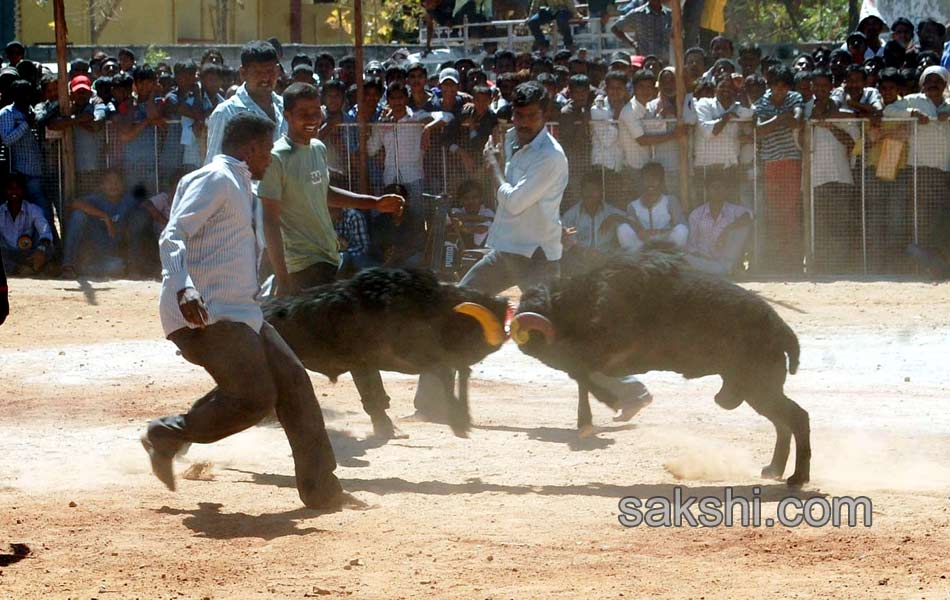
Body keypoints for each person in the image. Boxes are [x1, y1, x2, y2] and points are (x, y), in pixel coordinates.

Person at [141, 111, 346, 510]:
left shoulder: (240, 184)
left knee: (294, 383)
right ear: (249, 148)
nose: (270, 157)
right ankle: (168, 433)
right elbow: (173, 233)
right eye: (267, 149)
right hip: (206, 315)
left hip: (242, 314)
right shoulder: (216, 177)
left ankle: (323, 490)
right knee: (256, 397)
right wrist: (184, 287)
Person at [258, 83, 406, 439]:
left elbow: (323, 193)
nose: (313, 119)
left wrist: (373, 203)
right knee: (353, 336)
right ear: (288, 116)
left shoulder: (319, 149)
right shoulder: (276, 158)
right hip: (302, 266)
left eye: (317, 112)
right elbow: (269, 219)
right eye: (304, 114)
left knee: (290, 339)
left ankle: (260, 404)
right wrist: (282, 275)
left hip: (327, 258)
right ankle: (378, 416)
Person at [753, 65, 804, 272]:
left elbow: (797, 122)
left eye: (784, 86)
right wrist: (782, 118)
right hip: (770, 163)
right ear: (770, 85)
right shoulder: (761, 102)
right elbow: (760, 129)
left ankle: (792, 260)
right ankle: (776, 259)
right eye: (776, 85)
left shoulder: (795, 98)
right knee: (774, 212)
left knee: (790, 211)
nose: (780, 90)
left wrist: (777, 121)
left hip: (791, 161)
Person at [205, 41, 287, 164]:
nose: (265, 78)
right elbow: (214, 165)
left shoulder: (286, 107)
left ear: (277, 71)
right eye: (258, 72)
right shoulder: (226, 112)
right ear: (243, 73)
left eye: (270, 71)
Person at [61, 169, 151, 278]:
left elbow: (148, 206)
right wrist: (105, 216)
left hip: (111, 256)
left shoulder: (128, 200)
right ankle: (68, 266)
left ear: (123, 185)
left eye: (117, 182)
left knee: (118, 266)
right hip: (91, 252)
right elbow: (74, 203)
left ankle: (134, 267)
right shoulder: (96, 199)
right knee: (78, 215)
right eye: (109, 182)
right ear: (102, 186)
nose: (113, 185)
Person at [0, 80, 52, 232]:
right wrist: (25, 124)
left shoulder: (35, 111)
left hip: (41, 172)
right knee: (34, 215)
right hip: (22, 174)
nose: (25, 97)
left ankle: (48, 246)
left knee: (43, 215)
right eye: (21, 94)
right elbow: (7, 139)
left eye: (28, 94)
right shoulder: (7, 113)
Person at [685, 170, 752, 275]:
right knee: (684, 258)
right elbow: (692, 247)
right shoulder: (696, 214)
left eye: (721, 187)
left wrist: (727, 230)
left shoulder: (733, 210)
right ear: (707, 190)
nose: (718, 191)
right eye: (713, 187)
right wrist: (703, 258)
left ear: (726, 190)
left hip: (726, 260)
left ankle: (722, 270)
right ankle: (718, 270)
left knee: (743, 227)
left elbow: (748, 217)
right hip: (703, 260)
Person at [612, 161, 688, 253]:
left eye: (655, 178)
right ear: (641, 181)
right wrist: (642, 232)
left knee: (682, 230)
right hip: (642, 245)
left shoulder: (670, 201)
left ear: (661, 181)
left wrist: (660, 232)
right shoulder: (632, 206)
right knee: (623, 228)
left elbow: (681, 225)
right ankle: (637, 260)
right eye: (646, 179)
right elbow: (632, 227)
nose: (650, 183)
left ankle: (669, 257)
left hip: (665, 244)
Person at [0, 174, 53, 275]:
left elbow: (45, 231)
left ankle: (30, 268)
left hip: (29, 253)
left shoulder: (33, 209)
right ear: (5, 191)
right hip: (6, 254)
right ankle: (20, 269)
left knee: (48, 249)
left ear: (23, 191)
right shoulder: (0, 211)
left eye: (17, 188)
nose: (14, 192)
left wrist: (40, 250)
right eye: (10, 189)